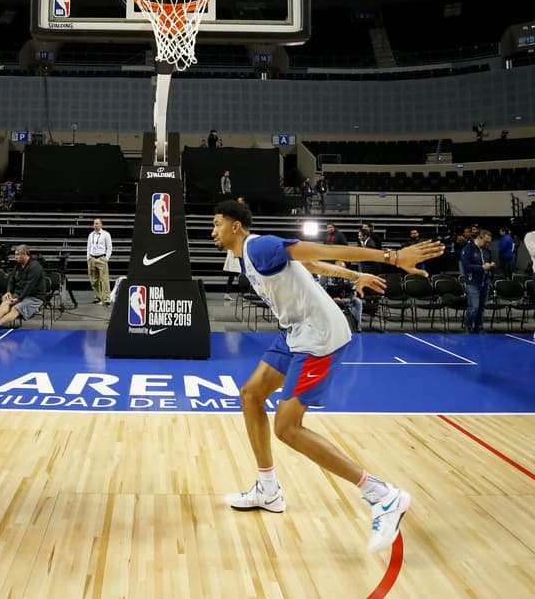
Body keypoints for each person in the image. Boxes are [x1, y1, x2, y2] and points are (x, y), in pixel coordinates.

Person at [211, 199, 444, 554]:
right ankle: (268, 489)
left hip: (319, 336)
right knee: (251, 394)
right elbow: (309, 264)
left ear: (236, 227)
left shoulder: (261, 245)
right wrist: (355, 277)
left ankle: (383, 495)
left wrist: (391, 258)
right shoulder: (244, 255)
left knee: (287, 428)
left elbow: (325, 249)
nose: (212, 232)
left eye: (217, 224)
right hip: (294, 332)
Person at [0, 244, 44, 331]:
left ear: (25, 254)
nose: (15, 257)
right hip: (20, 294)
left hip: (34, 297)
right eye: (15, 254)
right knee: (6, 301)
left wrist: (19, 299)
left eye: (18, 254)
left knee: (16, 308)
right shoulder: (18, 265)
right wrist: (8, 292)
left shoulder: (35, 267)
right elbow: (11, 280)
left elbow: (29, 286)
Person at [460, 230, 495, 333]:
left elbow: (488, 263)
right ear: (480, 238)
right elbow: (466, 266)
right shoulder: (468, 249)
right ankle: (468, 327)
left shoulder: (486, 250)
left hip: (485, 281)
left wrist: (491, 265)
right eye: (485, 241)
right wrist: (482, 267)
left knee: (482, 307)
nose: (487, 244)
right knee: (474, 306)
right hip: (473, 282)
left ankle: (478, 327)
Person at [86, 218, 113, 305]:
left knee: (104, 280)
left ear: (101, 225)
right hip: (92, 258)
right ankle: (97, 297)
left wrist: (107, 258)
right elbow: (88, 246)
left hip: (101, 258)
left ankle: (106, 298)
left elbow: (109, 247)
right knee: (93, 280)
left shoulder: (106, 234)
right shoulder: (91, 234)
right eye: (94, 223)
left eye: (97, 223)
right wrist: (88, 257)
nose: (95, 225)